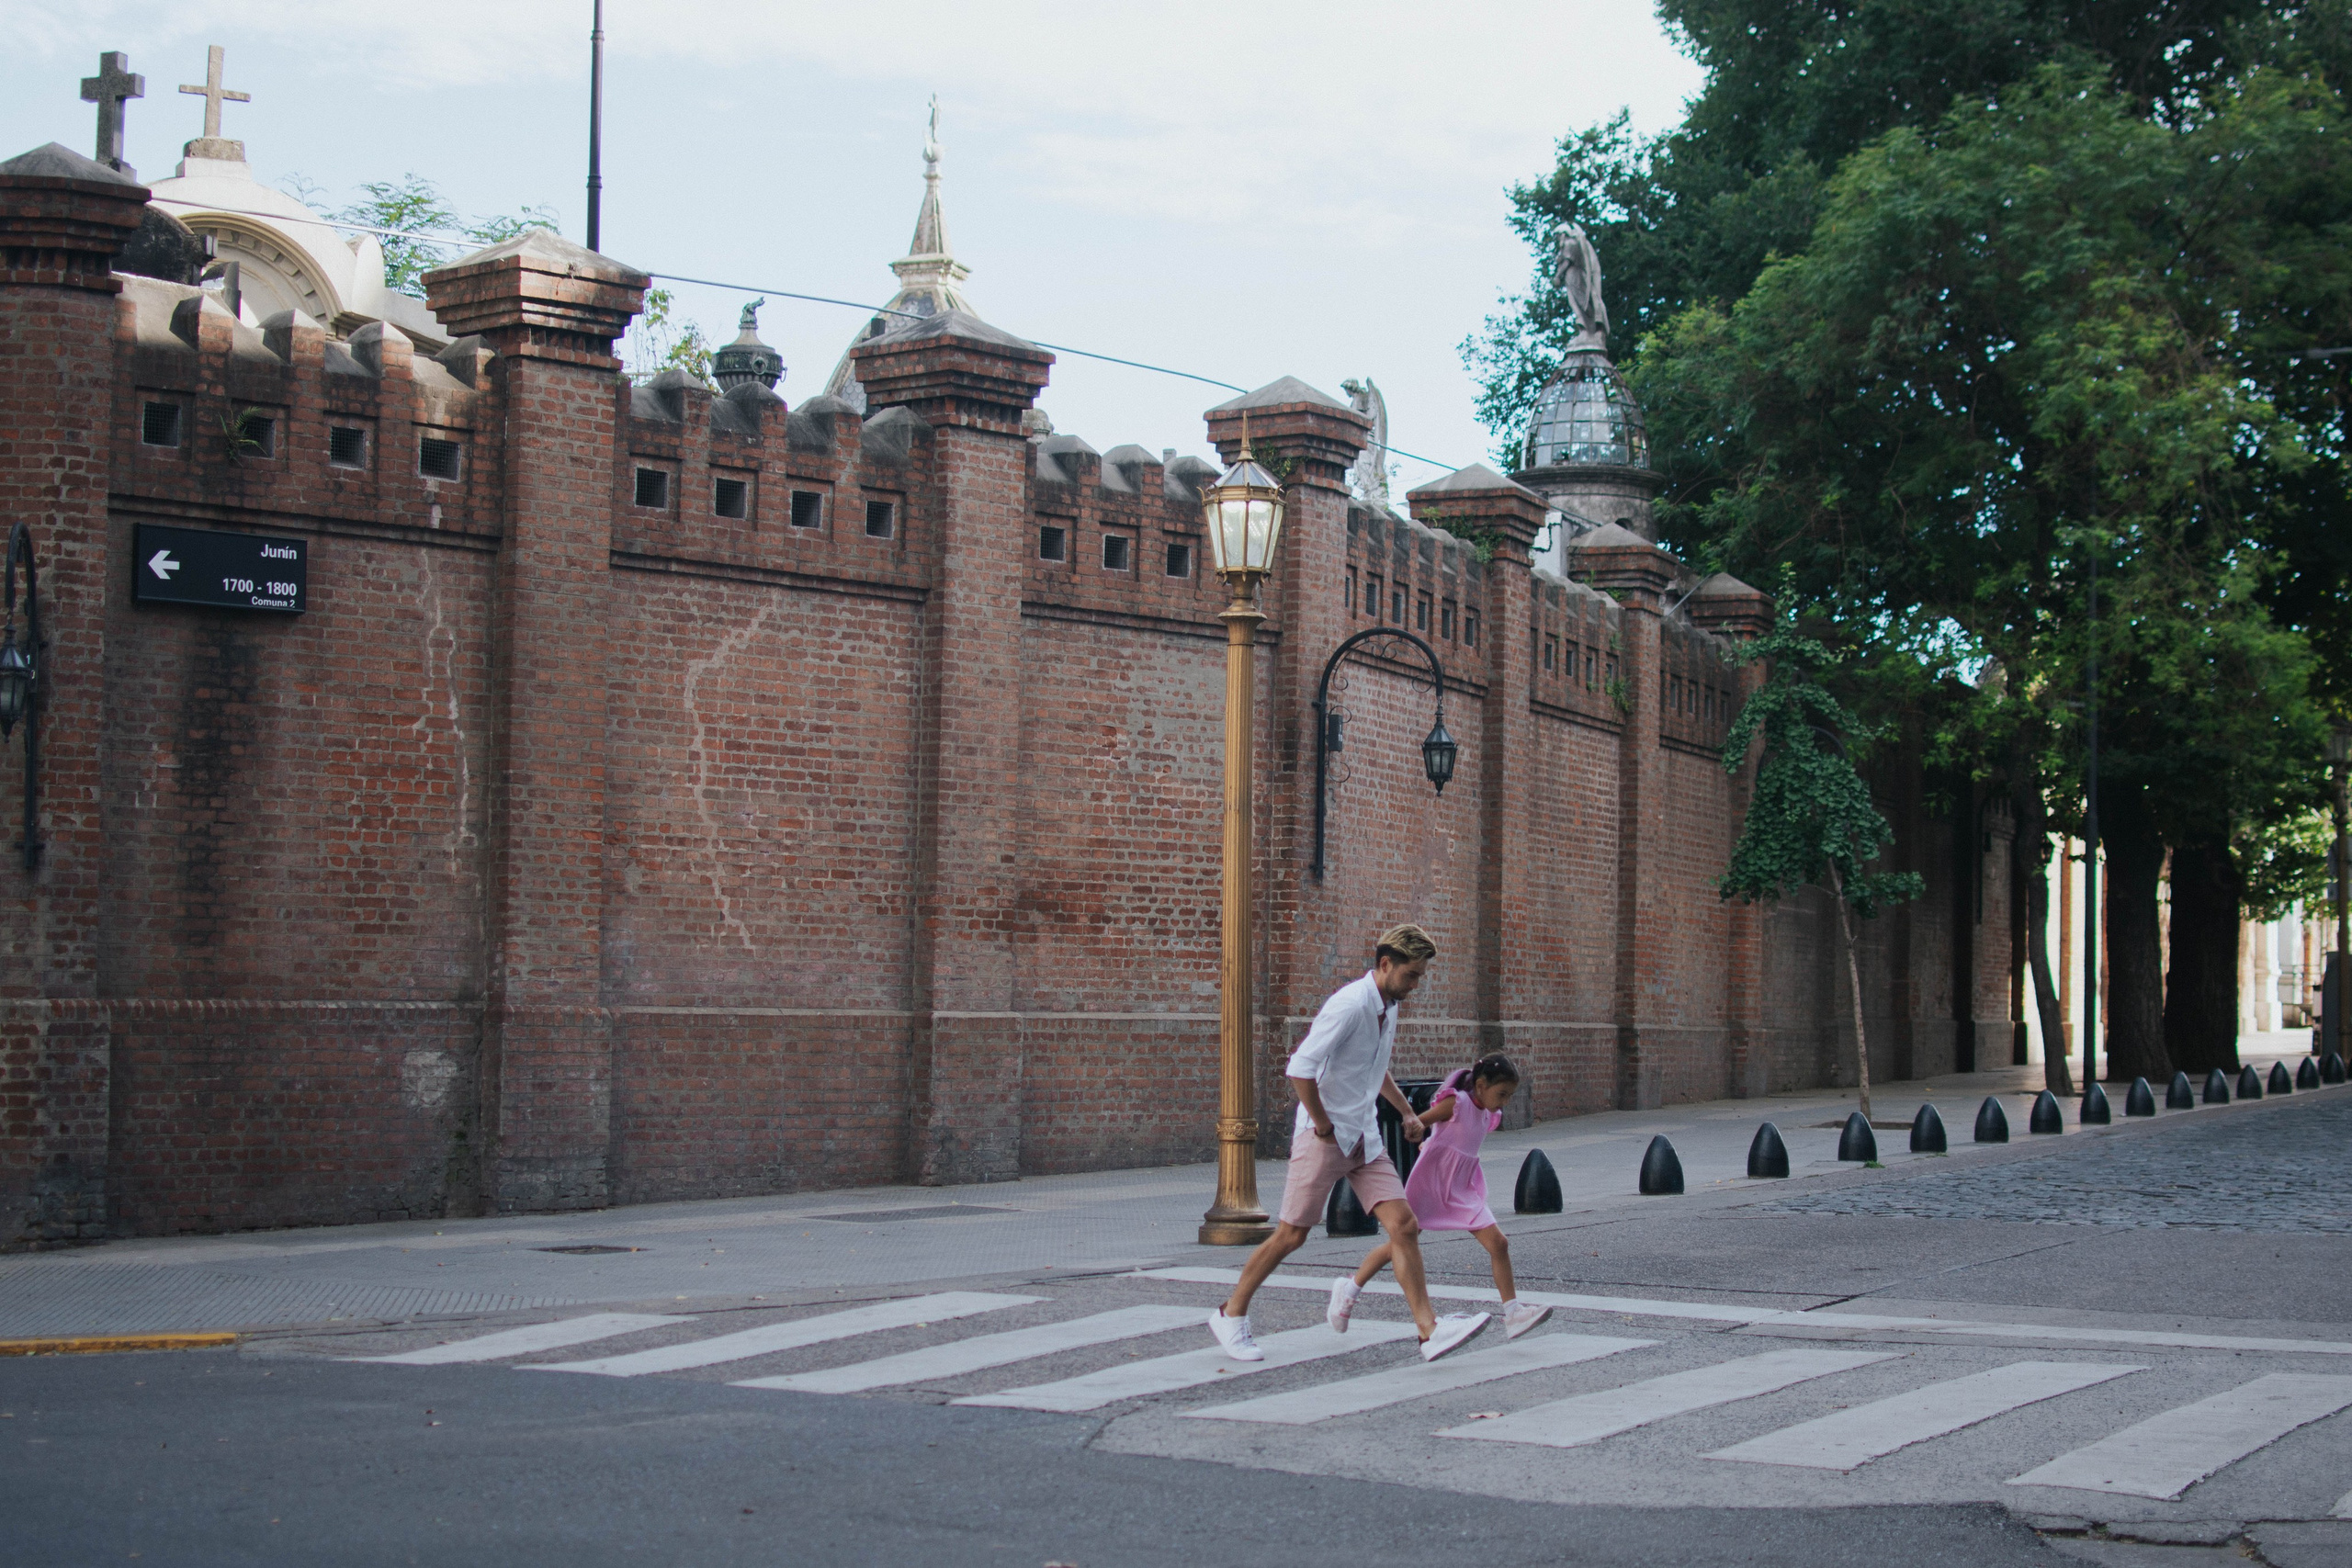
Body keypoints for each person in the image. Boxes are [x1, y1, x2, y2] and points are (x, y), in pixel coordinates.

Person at [1207, 925, 1491, 1364]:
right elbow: (1300, 1068)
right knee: (1291, 1234)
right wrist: (1321, 1123)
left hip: (1365, 1136)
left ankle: (1428, 1331)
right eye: (1411, 976)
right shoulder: (1349, 1006)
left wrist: (1405, 1112)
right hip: (1326, 1136)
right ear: (1385, 965)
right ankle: (1231, 1313)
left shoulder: (1388, 1006)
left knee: (1405, 1226)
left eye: (1420, 977)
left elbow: (1375, 1069)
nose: (1415, 986)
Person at [1327, 1054, 1553, 1341]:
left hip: (1462, 1187)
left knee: (1499, 1243)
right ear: (1481, 1086)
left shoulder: (1489, 1113)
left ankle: (1513, 1313)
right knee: (1399, 1242)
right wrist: (1420, 1133)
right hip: (1433, 1182)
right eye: (1502, 1094)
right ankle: (1350, 1288)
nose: (1505, 1101)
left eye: (1509, 1095)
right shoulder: (1456, 1103)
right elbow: (1418, 1122)